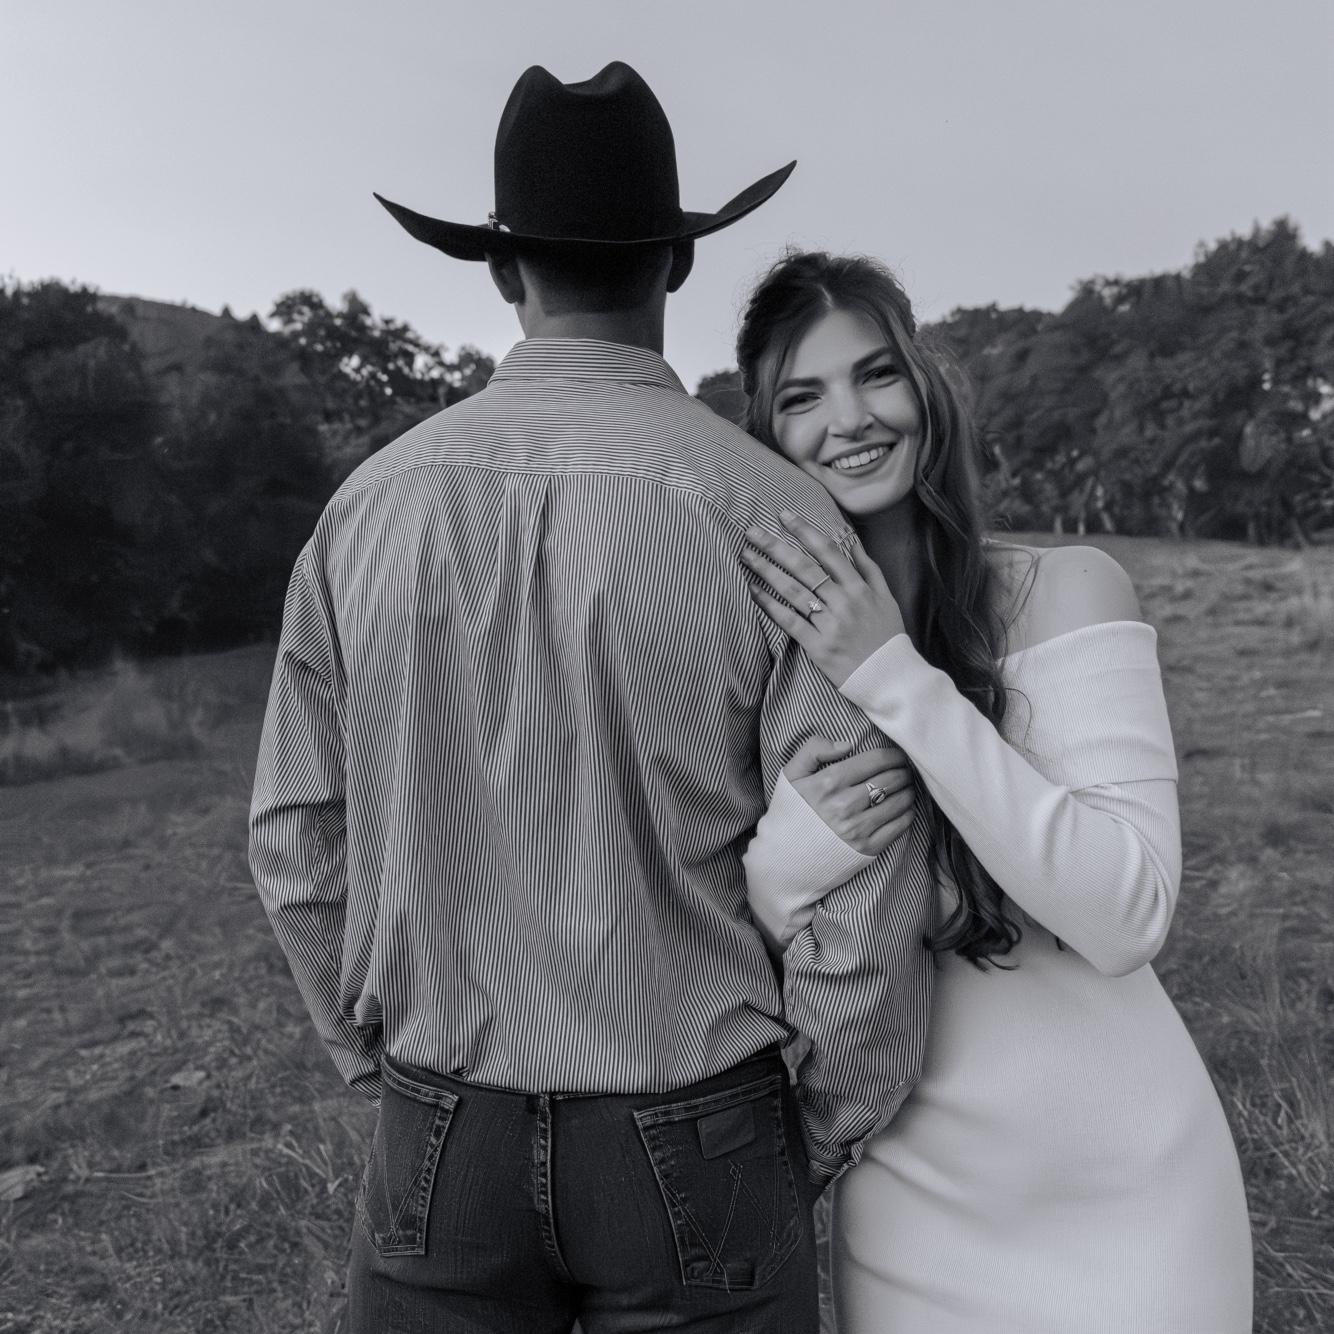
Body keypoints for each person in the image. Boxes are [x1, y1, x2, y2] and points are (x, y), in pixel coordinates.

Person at [249, 70, 935, 1332]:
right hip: (703, 1123)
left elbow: (297, 842)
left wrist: (374, 1056)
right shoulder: (771, 510)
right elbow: (862, 858)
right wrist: (825, 1114)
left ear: (504, 273)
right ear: (676, 260)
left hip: (440, 1118)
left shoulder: (364, 511)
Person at [736, 251, 1253, 1332]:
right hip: (909, 1201)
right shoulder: (763, 654)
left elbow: (1125, 915)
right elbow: (721, 948)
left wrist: (894, 674)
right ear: (767, 436)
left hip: (1129, 1192)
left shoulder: (1067, 591)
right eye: (801, 397)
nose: (849, 419)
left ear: (924, 387)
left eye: (875, 373)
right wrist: (781, 875)